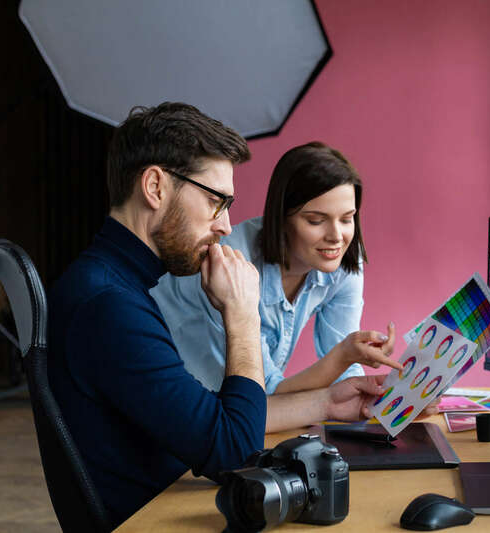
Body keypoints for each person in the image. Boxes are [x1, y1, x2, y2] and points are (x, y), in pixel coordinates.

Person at [47, 102, 386, 529]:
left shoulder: (115, 285)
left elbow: (209, 418)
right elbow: (233, 449)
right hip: (155, 519)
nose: (225, 225)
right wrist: (242, 315)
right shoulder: (109, 306)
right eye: (214, 201)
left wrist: (327, 402)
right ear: (155, 186)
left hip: (170, 499)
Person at [152, 142, 403, 394]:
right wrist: (345, 356)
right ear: (280, 216)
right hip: (167, 400)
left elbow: (345, 373)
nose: (336, 236)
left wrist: (391, 397)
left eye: (347, 218)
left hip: (234, 407)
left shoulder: (343, 259)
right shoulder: (227, 267)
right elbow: (261, 391)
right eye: (316, 220)